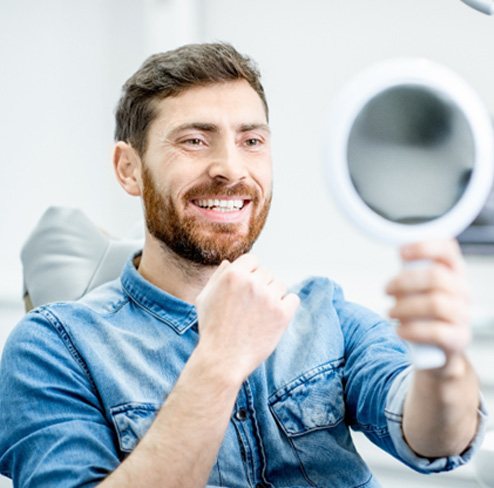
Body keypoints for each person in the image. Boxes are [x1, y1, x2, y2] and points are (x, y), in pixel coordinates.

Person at [0, 42, 488, 488]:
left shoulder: (324, 314)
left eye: (251, 141)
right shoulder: (53, 347)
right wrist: (220, 360)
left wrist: (441, 362)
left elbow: (437, 440)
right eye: (194, 140)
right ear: (129, 169)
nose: (231, 168)